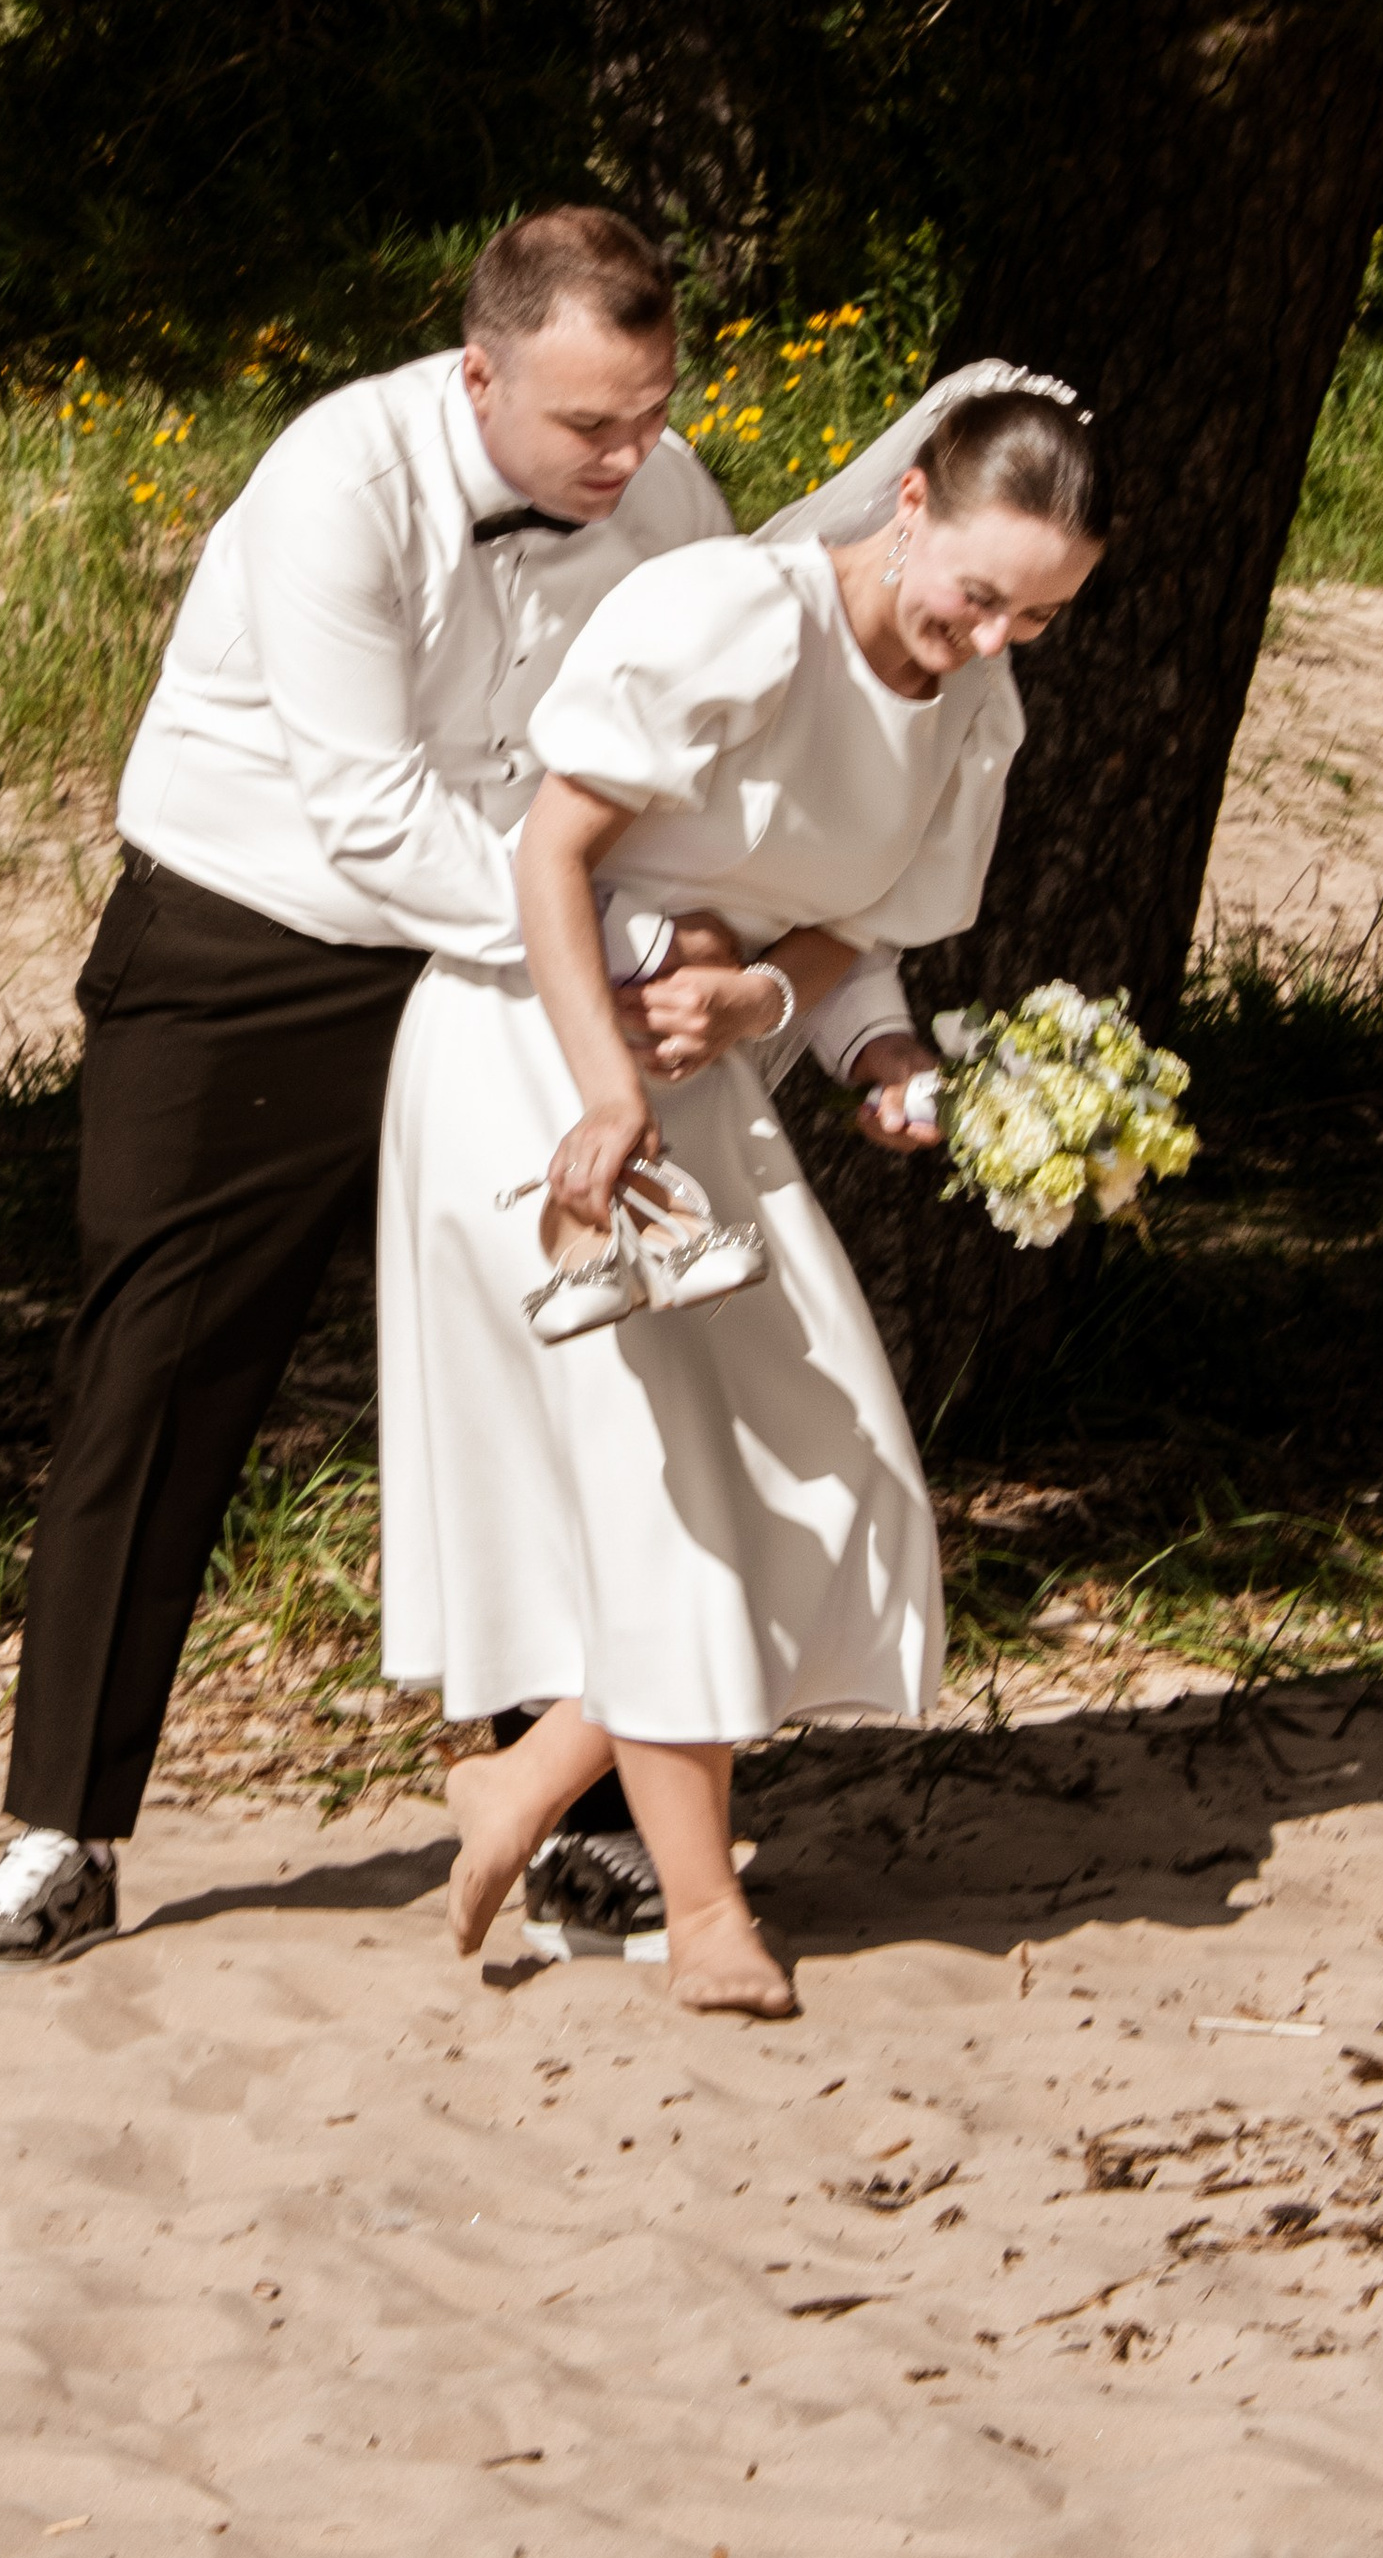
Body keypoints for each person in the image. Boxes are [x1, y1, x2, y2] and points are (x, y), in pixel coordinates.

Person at [0, 208, 916, 1978]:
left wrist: (755, 978)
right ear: (478, 373)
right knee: (159, 1366)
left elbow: (717, 775)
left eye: (652, 414)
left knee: (595, 1352)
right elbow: (368, 815)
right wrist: (591, 955)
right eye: (587, 428)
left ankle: (596, 1821)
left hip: (515, 954)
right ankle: (61, 1832)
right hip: (257, 939)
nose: (628, 459)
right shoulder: (336, 479)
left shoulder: (664, 496)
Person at [374, 376, 1109, 2015]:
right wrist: (613, 1086)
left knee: (842, 1471)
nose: (994, 638)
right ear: (907, 506)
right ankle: (705, 1916)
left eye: (1040, 618)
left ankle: (528, 1776)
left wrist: (853, 1053)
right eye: (979, 594)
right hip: (535, 1045)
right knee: (666, 1481)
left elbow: (856, 936)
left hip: (694, 1086)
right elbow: (550, 854)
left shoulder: (972, 713)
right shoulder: (732, 617)